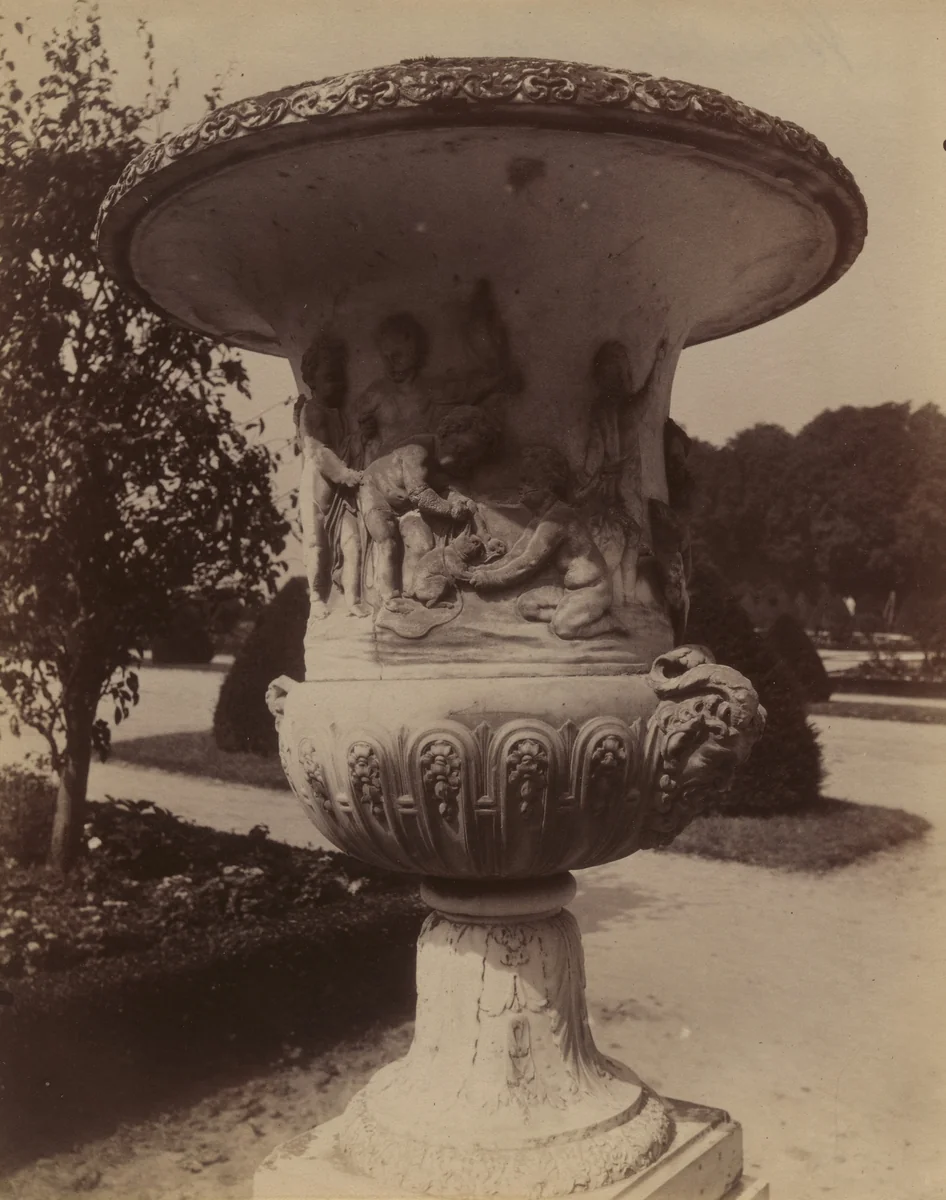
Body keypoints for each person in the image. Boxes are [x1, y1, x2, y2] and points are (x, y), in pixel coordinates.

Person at [469, 445, 624, 640]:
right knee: (526, 606)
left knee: (563, 629)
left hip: (593, 590)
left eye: (528, 482)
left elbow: (529, 562)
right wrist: (484, 569)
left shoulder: (559, 518)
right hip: (568, 591)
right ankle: (575, 614)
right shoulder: (540, 519)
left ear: (548, 486)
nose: (521, 487)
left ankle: (607, 623)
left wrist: (492, 579)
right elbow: (516, 555)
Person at [358, 406, 499, 607]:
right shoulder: (418, 450)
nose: (462, 461)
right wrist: (450, 509)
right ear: (445, 433)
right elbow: (420, 495)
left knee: (424, 545)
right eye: (460, 450)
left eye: (469, 461)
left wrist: (486, 537)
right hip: (376, 492)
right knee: (387, 539)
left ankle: (412, 592)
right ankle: (390, 598)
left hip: (405, 507)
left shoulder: (446, 470)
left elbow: (466, 502)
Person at [295, 334, 368, 619]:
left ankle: (353, 599)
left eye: (339, 378)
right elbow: (317, 450)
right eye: (329, 378)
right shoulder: (310, 411)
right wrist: (345, 474)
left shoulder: (338, 412)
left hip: (341, 492)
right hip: (318, 488)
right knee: (316, 545)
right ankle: (316, 597)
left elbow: (347, 445)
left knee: (353, 543)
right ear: (312, 381)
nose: (336, 385)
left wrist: (363, 435)